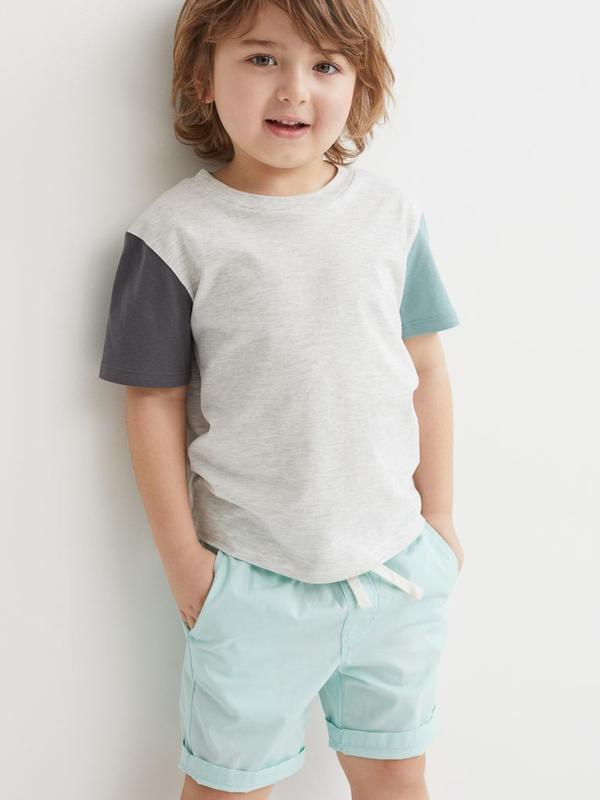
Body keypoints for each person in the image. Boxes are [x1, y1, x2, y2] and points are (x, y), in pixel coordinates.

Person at [98, 1, 465, 797]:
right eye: (262, 59)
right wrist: (186, 567)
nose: (295, 88)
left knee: (397, 778)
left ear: (358, 85)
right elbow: (152, 404)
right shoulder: (175, 235)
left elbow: (426, 369)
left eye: (325, 65)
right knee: (228, 788)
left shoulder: (391, 218)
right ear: (204, 77)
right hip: (251, 582)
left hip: (396, 571)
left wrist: (437, 520)